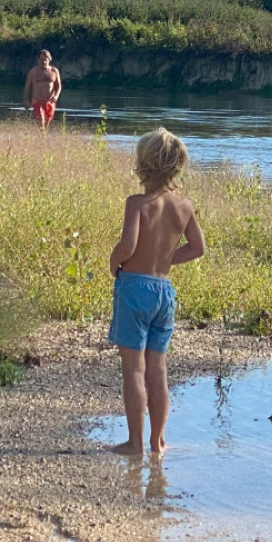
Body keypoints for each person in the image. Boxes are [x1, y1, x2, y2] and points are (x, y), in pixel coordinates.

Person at [106, 128, 205, 457]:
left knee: (133, 368)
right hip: (164, 291)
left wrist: (114, 261)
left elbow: (128, 245)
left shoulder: (137, 204)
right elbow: (197, 248)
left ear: (142, 164)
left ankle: (135, 443)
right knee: (158, 370)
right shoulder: (183, 206)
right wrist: (166, 260)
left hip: (134, 287)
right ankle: (158, 442)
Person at [23, 49, 62, 128]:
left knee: (46, 123)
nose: (43, 62)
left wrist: (56, 96)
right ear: (38, 60)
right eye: (41, 60)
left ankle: (42, 138)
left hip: (50, 101)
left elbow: (58, 86)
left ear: (49, 59)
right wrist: (26, 100)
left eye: (45, 60)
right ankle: (42, 137)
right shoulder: (33, 71)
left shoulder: (54, 71)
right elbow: (27, 87)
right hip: (37, 100)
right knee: (41, 120)